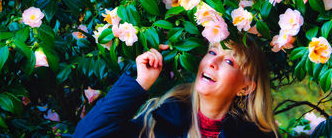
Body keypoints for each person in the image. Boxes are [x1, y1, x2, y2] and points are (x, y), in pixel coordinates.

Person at [73, 38, 280, 138]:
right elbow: (86, 135)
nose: (212, 62)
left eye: (229, 62)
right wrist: (139, 83)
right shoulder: (157, 117)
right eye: (211, 52)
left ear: (246, 87)